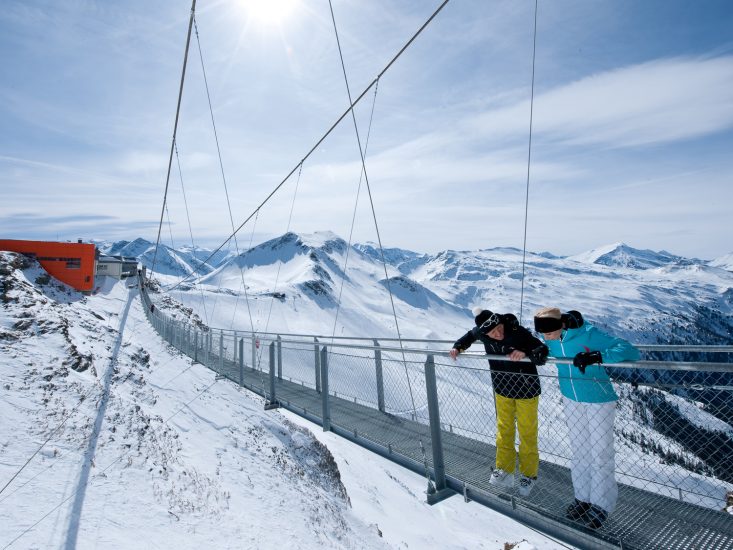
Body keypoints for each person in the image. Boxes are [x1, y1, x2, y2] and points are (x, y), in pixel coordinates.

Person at [533, 307, 640, 530]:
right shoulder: (552, 339)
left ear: (561, 325)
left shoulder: (589, 334)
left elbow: (630, 350)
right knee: (579, 451)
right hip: (571, 398)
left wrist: (597, 356)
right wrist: (540, 350)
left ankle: (602, 505)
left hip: (598, 399)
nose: (546, 337)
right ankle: (583, 499)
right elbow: (546, 346)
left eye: (548, 334)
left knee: (600, 453)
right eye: (543, 334)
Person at [450, 307, 548, 497]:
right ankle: (505, 470)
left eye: (498, 328)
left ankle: (528, 475)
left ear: (500, 321)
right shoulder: (481, 332)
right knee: (504, 430)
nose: (497, 334)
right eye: (492, 332)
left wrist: (526, 351)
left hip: (526, 390)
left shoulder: (516, 331)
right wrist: (457, 347)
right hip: (502, 388)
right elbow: (468, 337)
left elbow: (541, 349)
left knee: (527, 433)